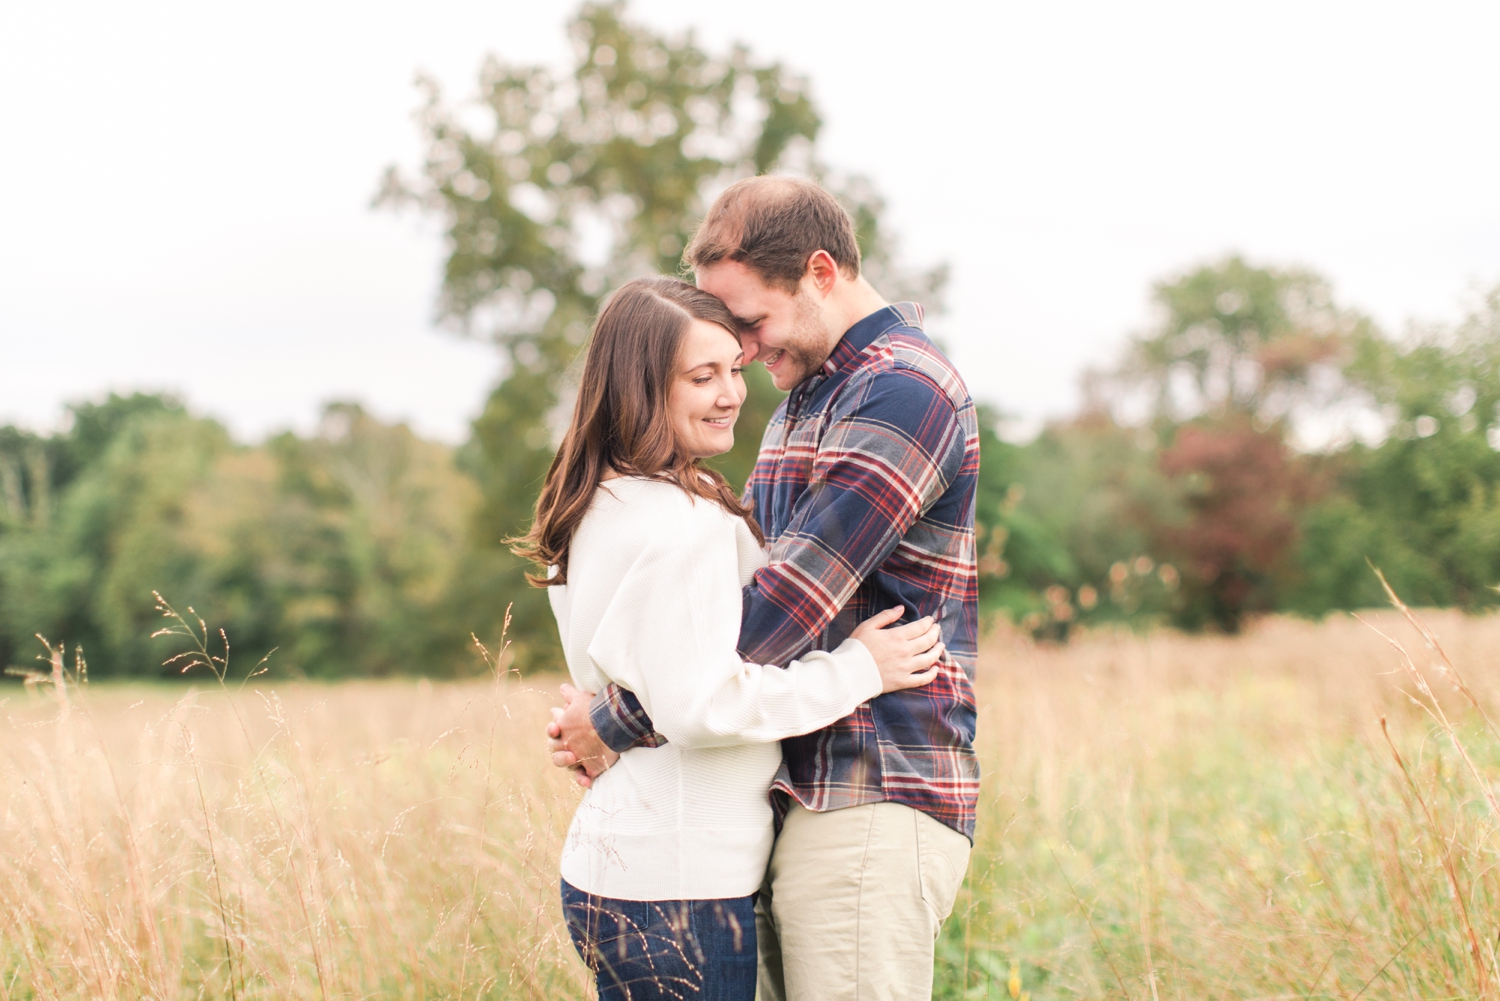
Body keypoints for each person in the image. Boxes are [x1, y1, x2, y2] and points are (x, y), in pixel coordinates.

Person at [549, 176, 980, 1001]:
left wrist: (615, 719)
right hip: (792, 789)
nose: (742, 353)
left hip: (871, 782)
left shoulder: (902, 390)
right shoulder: (804, 392)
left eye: (748, 322)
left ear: (821, 272)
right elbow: (703, 613)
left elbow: (787, 605)